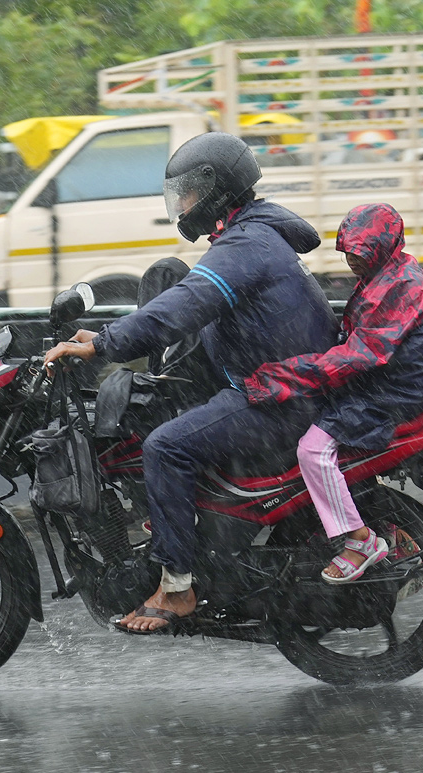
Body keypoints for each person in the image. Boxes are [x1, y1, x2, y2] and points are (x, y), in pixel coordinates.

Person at [43, 132, 337, 634]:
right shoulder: (250, 235)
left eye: (189, 193)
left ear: (218, 190)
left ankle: (176, 586)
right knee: (166, 276)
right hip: (271, 381)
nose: (182, 205)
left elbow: (187, 304)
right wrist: (107, 337)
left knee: (165, 448)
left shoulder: (247, 245)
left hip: (277, 398)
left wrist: (104, 346)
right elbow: (182, 298)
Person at [243, 203, 423, 583]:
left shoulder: (399, 287)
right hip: (392, 381)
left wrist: (282, 377)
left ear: (381, 246)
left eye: (360, 252)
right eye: (348, 252)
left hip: (393, 392)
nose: (351, 260)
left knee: (313, 449)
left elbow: (358, 357)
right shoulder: (388, 274)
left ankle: (360, 541)